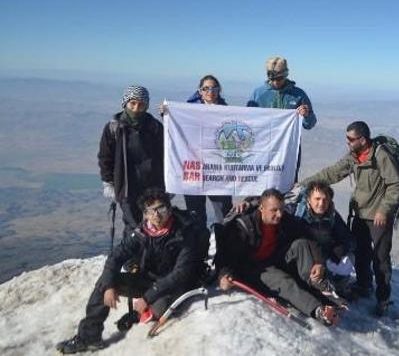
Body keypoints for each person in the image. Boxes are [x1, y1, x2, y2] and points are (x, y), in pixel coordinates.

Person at [56, 189, 208, 354]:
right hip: (148, 280)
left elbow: (180, 274)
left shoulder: (184, 234)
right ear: (145, 214)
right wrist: (109, 286)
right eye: (150, 211)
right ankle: (89, 337)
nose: (157, 215)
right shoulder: (142, 232)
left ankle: (137, 315)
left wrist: (147, 298)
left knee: (159, 309)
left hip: (174, 286)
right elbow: (116, 256)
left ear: (169, 209)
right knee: (105, 282)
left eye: (161, 209)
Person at [300, 121, 399, 317]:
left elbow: (396, 184)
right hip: (360, 213)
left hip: (379, 216)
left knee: (380, 258)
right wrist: (306, 184)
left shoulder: (381, 156)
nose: (347, 142)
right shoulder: (355, 157)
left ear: (363, 140)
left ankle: (383, 299)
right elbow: (333, 172)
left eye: (350, 139)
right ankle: (364, 286)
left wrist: (384, 210)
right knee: (361, 251)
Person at [215, 188, 342, 326]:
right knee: (284, 281)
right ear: (261, 208)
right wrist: (224, 274)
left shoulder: (283, 219)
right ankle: (318, 310)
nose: (279, 214)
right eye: (274, 210)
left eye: (281, 209)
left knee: (301, 244)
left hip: (273, 258)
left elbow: (307, 235)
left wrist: (319, 262)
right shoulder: (244, 226)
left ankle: (319, 285)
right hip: (253, 268)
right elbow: (225, 254)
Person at [98, 85, 164, 237]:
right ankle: (133, 259)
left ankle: (153, 257)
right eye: (132, 103)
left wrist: (167, 183)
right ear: (125, 103)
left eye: (141, 104)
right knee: (133, 226)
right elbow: (105, 157)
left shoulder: (155, 127)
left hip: (153, 185)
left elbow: (165, 155)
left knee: (156, 222)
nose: (136, 108)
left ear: (146, 106)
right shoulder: (114, 127)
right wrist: (108, 182)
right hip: (126, 186)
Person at [246, 56, 316, 181]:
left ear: (286, 74)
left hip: (289, 150)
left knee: (288, 184)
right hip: (264, 148)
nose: (275, 82)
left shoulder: (298, 94)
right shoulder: (258, 93)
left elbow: (310, 124)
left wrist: (306, 114)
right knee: (261, 183)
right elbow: (247, 121)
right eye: (272, 78)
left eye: (279, 78)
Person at [181, 75, 233, 225]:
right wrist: (167, 113)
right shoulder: (187, 111)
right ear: (200, 91)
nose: (210, 91)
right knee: (195, 215)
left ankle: (225, 246)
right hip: (194, 169)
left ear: (219, 90)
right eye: (206, 88)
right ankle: (199, 247)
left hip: (218, 171)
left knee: (224, 213)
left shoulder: (228, 111)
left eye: (214, 88)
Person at [295, 181, 356, 295]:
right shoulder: (299, 215)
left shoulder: (332, 216)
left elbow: (348, 239)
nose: (321, 203)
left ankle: (337, 288)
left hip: (327, 257)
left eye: (325, 200)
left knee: (349, 257)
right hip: (308, 258)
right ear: (309, 199)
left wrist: (339, 249)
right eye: (317, 199)